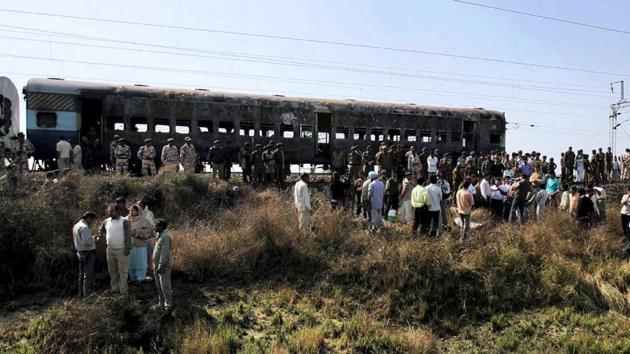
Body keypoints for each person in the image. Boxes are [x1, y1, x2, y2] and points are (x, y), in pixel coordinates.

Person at [99, 205, 132, 294]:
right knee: (112, 271)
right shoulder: (106, 221)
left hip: (122, 250)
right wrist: (100, 237)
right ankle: (115, 290)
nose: (110, 213)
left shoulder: (125, 221)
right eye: (109, 211)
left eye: (112, 211)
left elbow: (128, 236)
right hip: (110, 250)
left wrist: (128, 248)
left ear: (117, 211)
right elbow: (101, 230)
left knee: (123, 272)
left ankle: (123, 291)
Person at [72, 211, 98, 298]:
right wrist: (93, 238)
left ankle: (81, 295)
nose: (92, 222)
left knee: (81, 275)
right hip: (88, 253)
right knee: (88, 275)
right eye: (92, 220)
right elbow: (87, 242)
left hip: (80, 253)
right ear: (89, 218)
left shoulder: (76, 225)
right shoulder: (84, 227)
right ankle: (87, 295)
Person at [127, 205, 153, 284]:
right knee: (131, 262)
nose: (132, 212)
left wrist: (137, 232)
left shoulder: (144, 220)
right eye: (131, 210)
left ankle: (140, 278)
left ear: (138, 211)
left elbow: (149, 232)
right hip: (130, 245)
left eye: (134, 210)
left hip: (140, 245)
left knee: (140, 262)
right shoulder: (127, 219)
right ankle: (132, 278)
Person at [153, 219, 173, 311]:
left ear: (161, 227)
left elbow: (164, 253)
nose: (154, 227)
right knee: (158, 286)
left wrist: (161, 265)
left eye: (156, 226)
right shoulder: (159, 235)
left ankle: (168, 305)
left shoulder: (166, 237)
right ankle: (161, 304)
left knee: (165, 286)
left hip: (163, 266)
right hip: (156, 265)